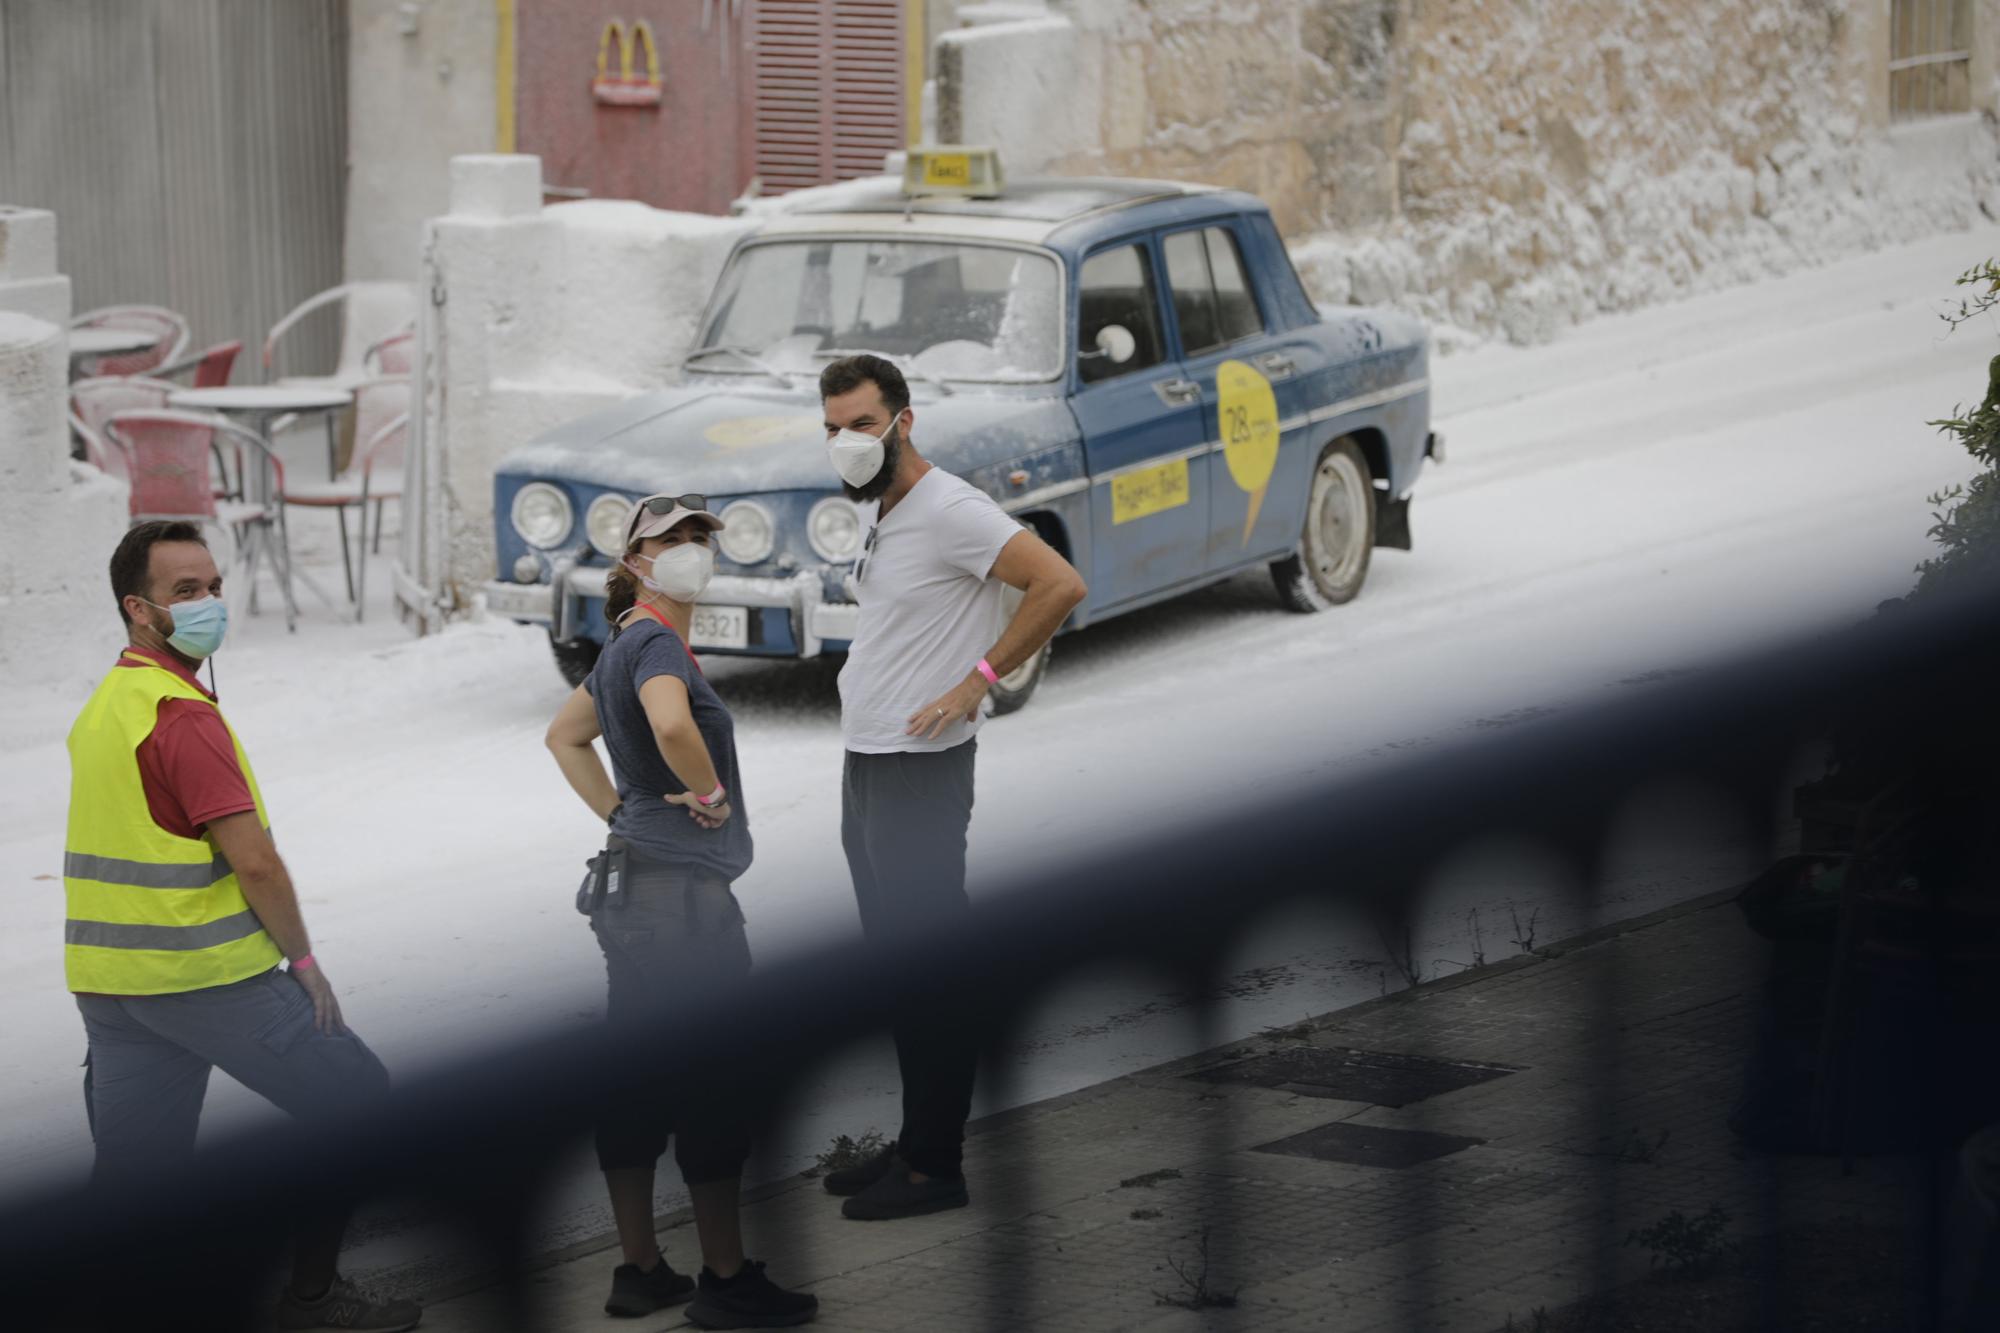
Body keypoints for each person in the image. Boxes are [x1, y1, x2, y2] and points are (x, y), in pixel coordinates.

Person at [64, 521, 420, 1332]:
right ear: (138, 608)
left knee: (133, 1180)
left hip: (113, 987)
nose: (209, 603)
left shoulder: (108, 704)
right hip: (208, 978)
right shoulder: (183, 717)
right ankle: (313, 1299)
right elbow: (255, 862)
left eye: (215, 586)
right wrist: (303, 959)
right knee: (358, 1101)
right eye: (185, 592)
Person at [816, 354, 1088, 1221]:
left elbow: (1059, 584)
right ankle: (914, 1140)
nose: (846, 442)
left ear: (904, 421)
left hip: (922, 769)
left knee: (929, 964)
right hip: (872, 760)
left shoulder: (951, 508)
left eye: (862, 424)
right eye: (832, 428)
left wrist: (979, 679)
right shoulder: (888, 512)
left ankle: (937, 1167)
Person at [544, 494, 818, 1328]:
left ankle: (640, 1269)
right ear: (635, 561)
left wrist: (624, 817)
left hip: (631, 892)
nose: (694, 547)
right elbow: (669, 723)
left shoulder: (624, 644)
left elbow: (563, 736)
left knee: (635, 1075)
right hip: (681, 905)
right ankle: (727, 1280)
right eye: (673, 537)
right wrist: (704, 791)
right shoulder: (657, 640)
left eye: (702, 535)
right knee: (714, 1078)